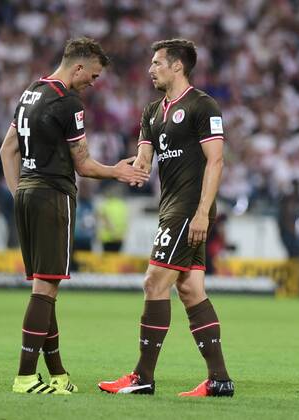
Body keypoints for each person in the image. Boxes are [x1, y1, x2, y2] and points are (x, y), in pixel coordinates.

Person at [0, 37, 150, 395]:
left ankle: (58, 374)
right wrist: (118, 171)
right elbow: (82, 164)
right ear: (78, 67)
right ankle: (24, 377)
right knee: (45, 289)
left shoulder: (30, 93)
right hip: (54, 196)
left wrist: (19, 194)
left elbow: (8, 150)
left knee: (44, 287)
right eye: (93, 76)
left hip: (27, 194)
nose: (92, 83)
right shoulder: (69, 103)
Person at [98, 39, 234, 397]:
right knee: (190, 289)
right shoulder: (152, 112)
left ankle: (142, 375)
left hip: (190, 209)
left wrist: (203, 212)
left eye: (157, 63)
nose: (150, 69)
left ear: (178, 67)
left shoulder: (203, 105)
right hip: (170, 207)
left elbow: (216, 161)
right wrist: (128, 169)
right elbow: (145, 161)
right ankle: (219, 379)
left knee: (153, 283)